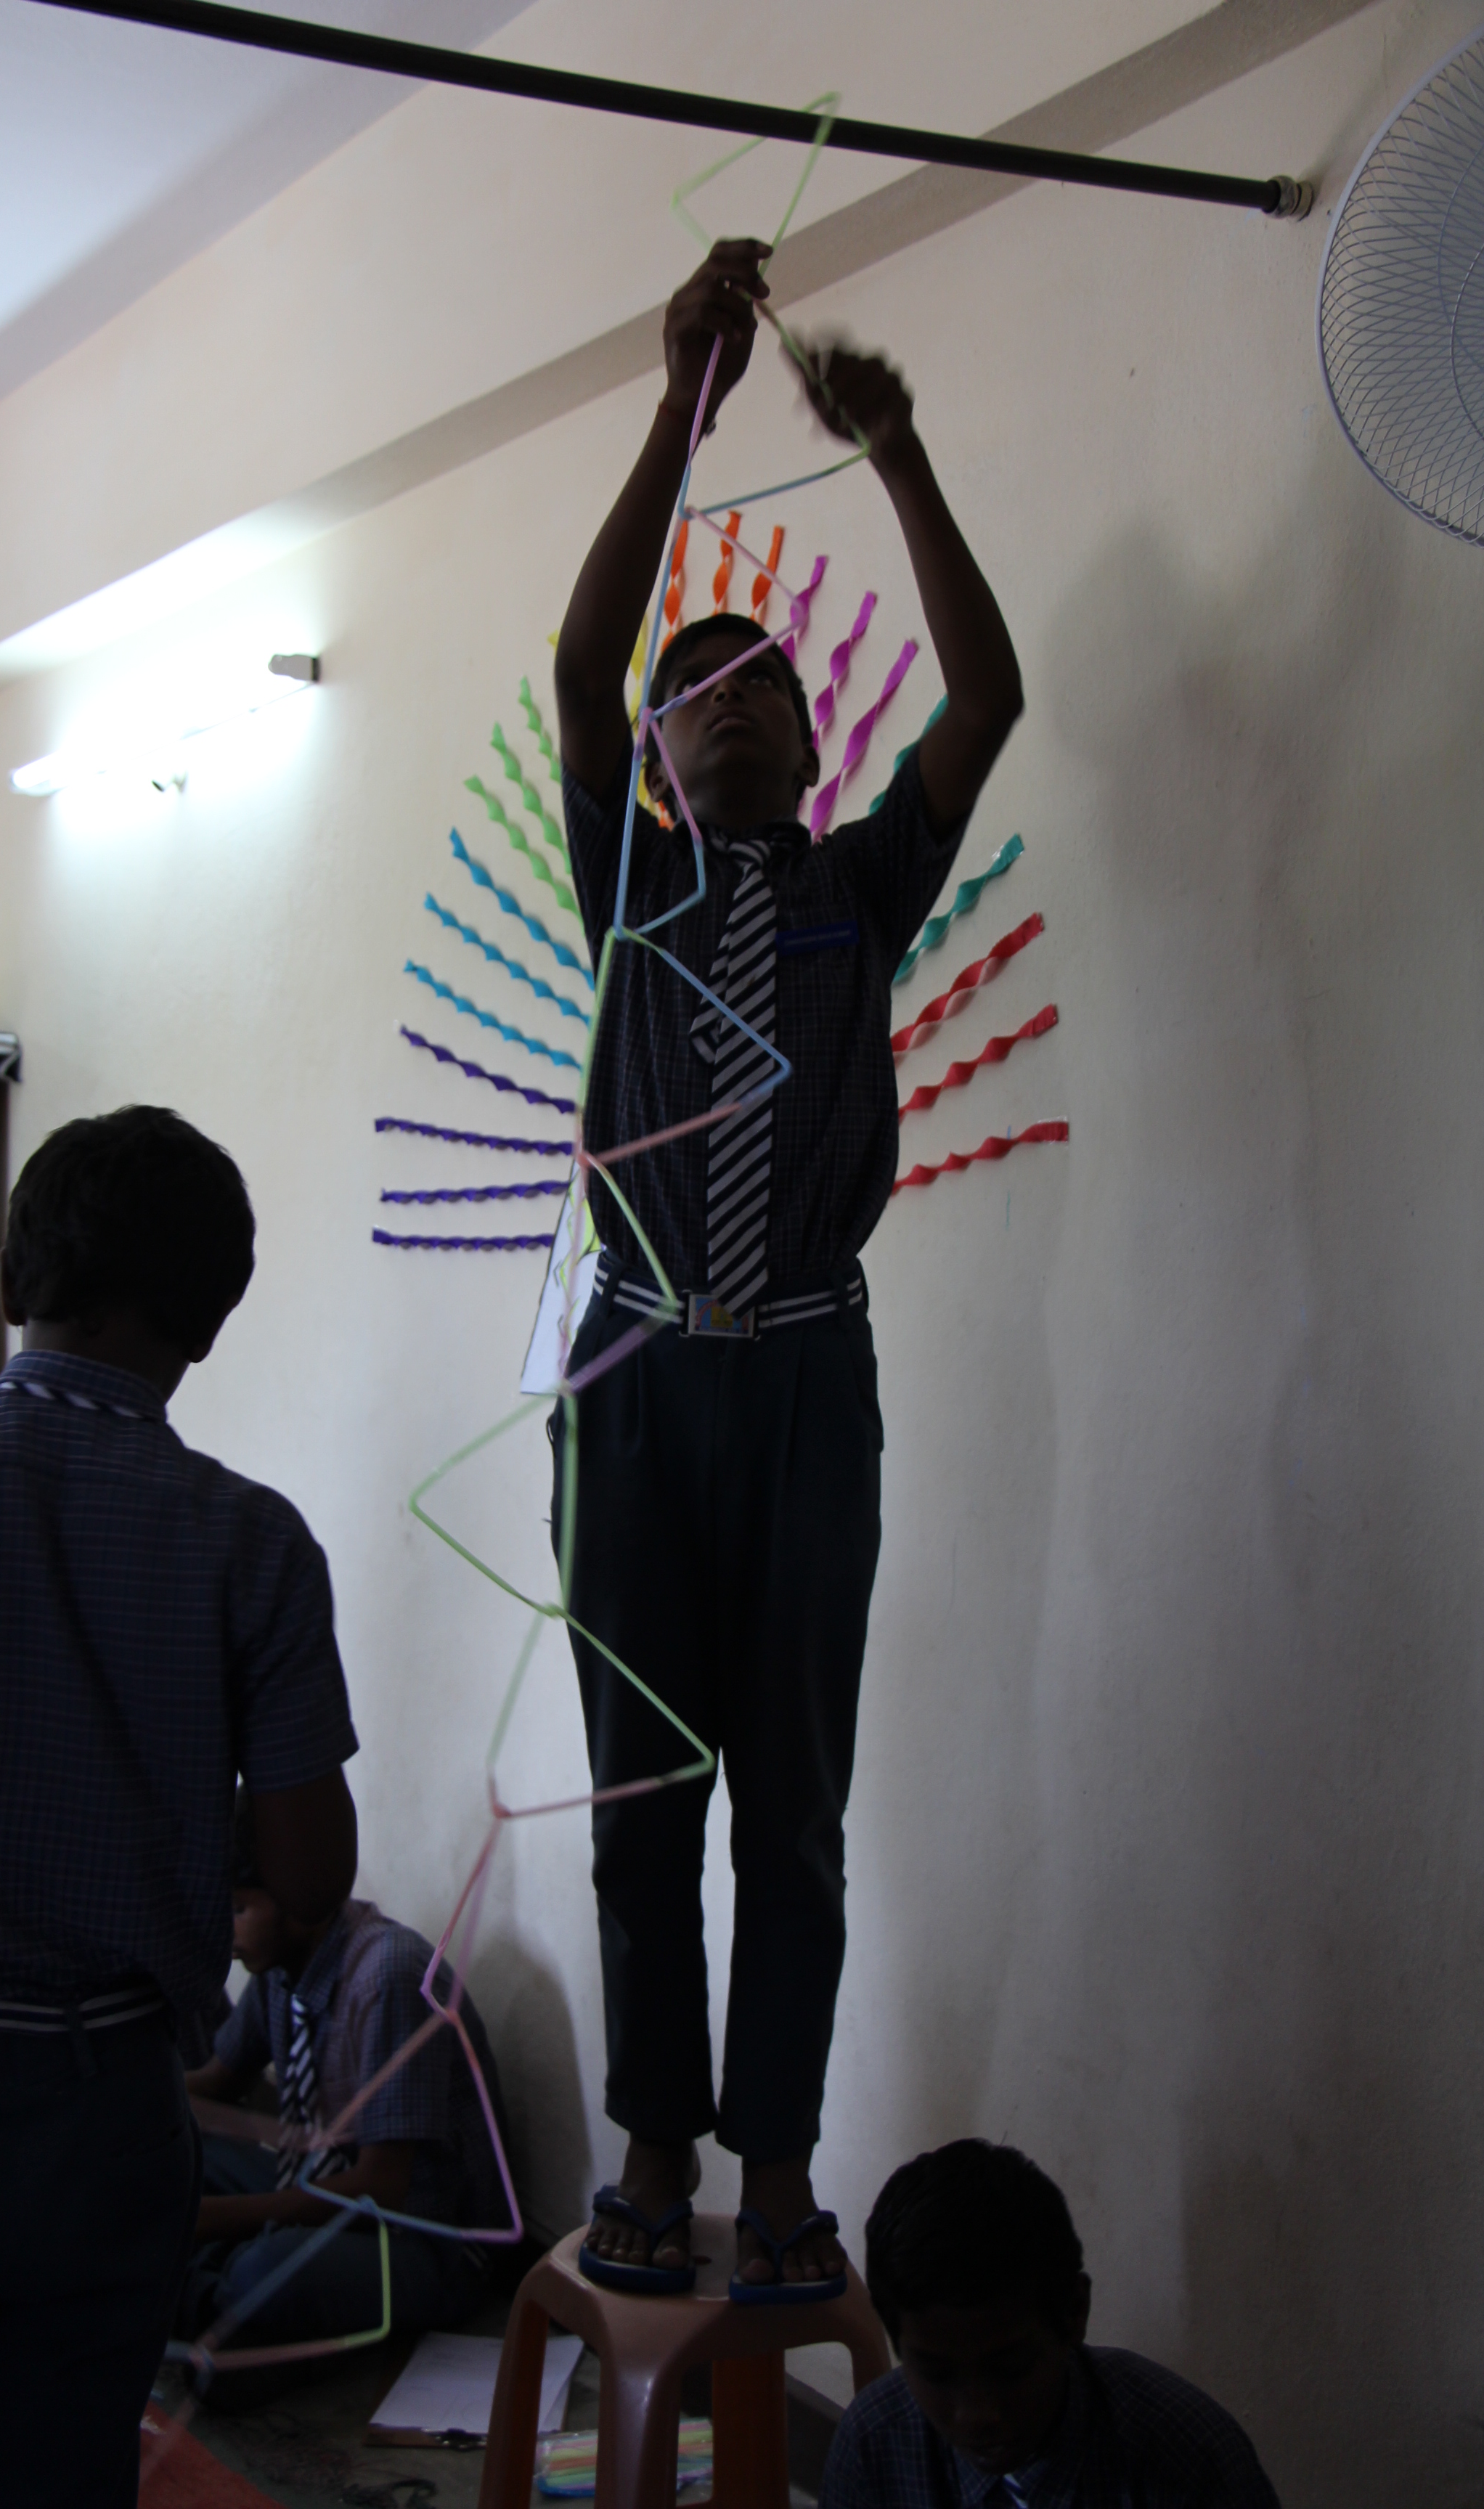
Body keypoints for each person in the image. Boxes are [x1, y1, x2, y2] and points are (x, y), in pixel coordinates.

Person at [551, 238, 1024, 2299]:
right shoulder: (631, 881)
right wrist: (685, 412)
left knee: (796, 1810)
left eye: (767, 687)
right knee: (641, 1795)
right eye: (697, 696)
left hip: (812, 1382)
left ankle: (782, 2167)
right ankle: (655, 2150)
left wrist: (895, 452)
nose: (730, 704)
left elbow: (987, 699)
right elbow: (583, 662)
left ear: (818, 747)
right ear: (658, 759)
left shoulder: (858, 886)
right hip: (636, 1381)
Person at [0, 1105, 359, 2509]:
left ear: (12, 1281)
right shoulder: (254, 1545)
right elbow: (310, 1874)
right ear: (209, 1324)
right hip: (102, 2107)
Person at [177, 1787, 507, 2388]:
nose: (223, 1930)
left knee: (261, 2270)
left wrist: (217, 2220)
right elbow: (213, 2085)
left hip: (424, 2240)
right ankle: (225, 2313)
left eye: (237, 1908)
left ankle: (211, 2295)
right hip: (321, 2190)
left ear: (298, 1899)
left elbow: (381, 2189)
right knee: (177, 2156)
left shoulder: (387, 1977)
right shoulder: (281, 1966)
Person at [821, 2141, 1282, 2507]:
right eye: (937, 2375)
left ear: (1074, 2313)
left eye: (1011, 2369)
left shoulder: (1190, 2461)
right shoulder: (873, 2446)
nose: (979, 2415)